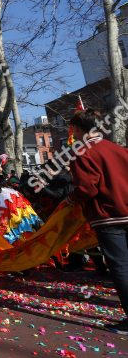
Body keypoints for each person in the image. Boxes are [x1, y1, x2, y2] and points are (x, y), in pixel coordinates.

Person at [66, 109, 128, 334]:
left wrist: (71, 198)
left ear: (80, 129)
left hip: (109, 216)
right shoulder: (117, 148)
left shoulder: (83, 152)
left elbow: (87, 187)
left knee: (120, 266)